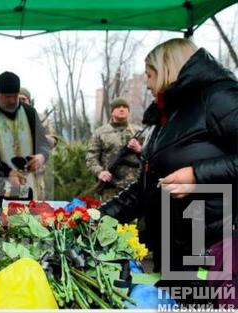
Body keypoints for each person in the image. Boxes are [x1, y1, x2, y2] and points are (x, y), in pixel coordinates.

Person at [99, 38, 238, 305]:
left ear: (168, 69)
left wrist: (198, 174)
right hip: (177, 253)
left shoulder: (220, 97)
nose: (148, 83)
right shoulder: (168, 116)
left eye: (150, 75)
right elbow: (147, 186)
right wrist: (97, 216)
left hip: (216, 251)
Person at [0, 72, 51, 200]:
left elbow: (43, 142)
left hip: (29, 185)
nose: (12, 100)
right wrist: (7, 172)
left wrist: (42, 156)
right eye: (7, 96)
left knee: (29, 217)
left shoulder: (29, 112)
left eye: (15, 96)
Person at [85, 98, 143, 201]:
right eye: (118, 107)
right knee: (109, 217)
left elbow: (152, 156)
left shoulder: (139, 132)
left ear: (128, 111)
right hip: (110, 188)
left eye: (125, 107)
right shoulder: (100, 132)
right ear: (111, 111)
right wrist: (100, 172)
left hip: (134, 186)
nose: (122, 109)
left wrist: (139, 149)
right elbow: (91, 157)